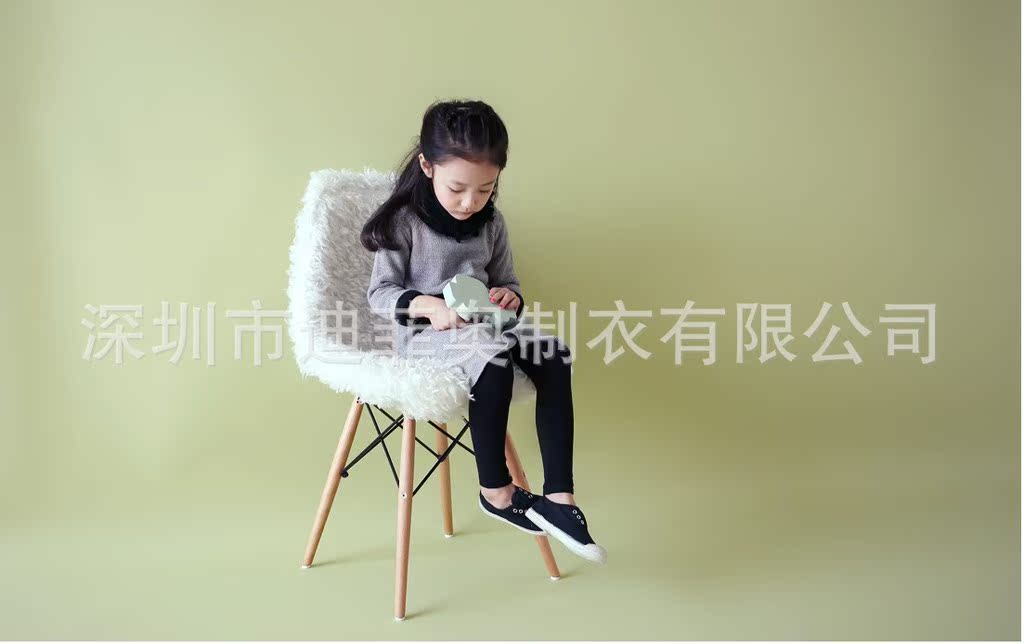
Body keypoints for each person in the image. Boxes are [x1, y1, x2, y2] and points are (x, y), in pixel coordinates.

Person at [362, 99, 606, 565]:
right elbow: (380, 294)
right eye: (457, 188)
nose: (469, 202)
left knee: (554, 355)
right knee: (490, 356)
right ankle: (495, 491)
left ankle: (560, 498)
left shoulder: (491, 223)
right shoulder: (404, 221)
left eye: (485, 189)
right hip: (427, 336)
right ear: (427, 166)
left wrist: (509, 297)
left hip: (488, 323)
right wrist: (429, 306)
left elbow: (508, 283)